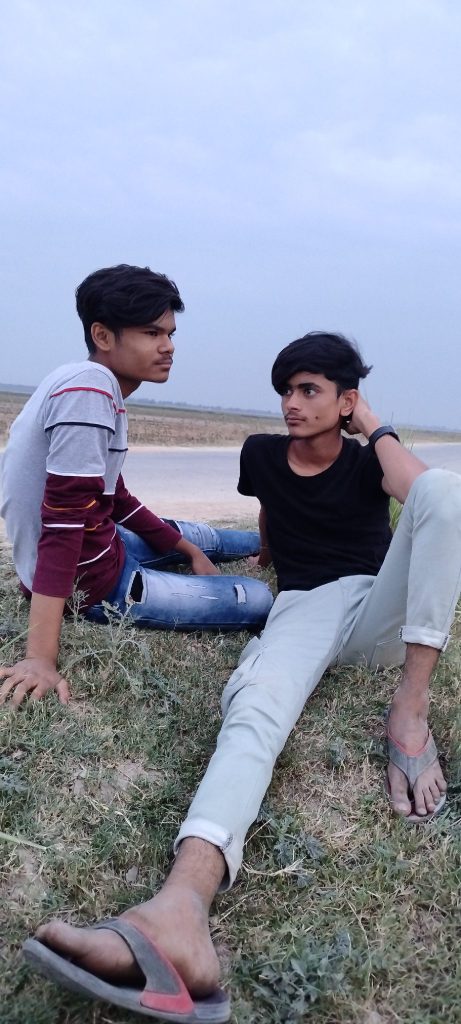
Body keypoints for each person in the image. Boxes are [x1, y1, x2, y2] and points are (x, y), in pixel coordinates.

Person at [23, 331, 461, 1021]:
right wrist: (262, 551)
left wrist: (370, 423)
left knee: (446, 491)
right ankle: (180, 908)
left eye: (310, 390)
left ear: (346, 401)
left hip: (380, 606)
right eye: (285, 390)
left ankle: (409, 709)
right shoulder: (259, 452)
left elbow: (423, 498)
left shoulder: (366, 459)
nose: (291, 403)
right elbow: (268, 508)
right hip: (307, 604)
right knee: (256, 703)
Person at [0, 265, 272, 708]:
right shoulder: (87, 393)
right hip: (92, 581)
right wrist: (39, 658)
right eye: (151, 333)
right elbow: (63, 523)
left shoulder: (93, 384)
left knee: (202, 536)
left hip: (107, 543)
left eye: (170, 333)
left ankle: (275, 543)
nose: (168, 347)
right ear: (103, 336)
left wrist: (191, 553)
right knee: (256, 598)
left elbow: (115, 498)